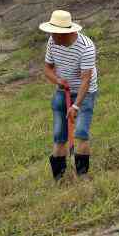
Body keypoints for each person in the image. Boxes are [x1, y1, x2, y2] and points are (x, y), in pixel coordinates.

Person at [41, 10, 98, 180]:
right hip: (62, 92)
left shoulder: (86, 48)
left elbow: (86, 80)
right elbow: (47, 69)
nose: (51, 36)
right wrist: (58, 80)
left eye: (55, 33)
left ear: (65, 33)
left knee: (80, 132)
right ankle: (59, 179)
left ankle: (82, 176)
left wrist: (75, 106)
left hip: (84, 94)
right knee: (59, 136)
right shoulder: (52, 41)